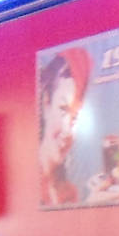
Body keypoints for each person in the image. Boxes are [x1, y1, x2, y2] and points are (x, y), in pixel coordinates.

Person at [38, 47, 91, 207]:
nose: (68, 131)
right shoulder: (26, 181)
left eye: (74, 118)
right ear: (46, 102)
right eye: (63, 110)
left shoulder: (70, 191)